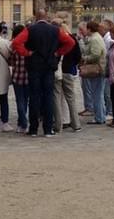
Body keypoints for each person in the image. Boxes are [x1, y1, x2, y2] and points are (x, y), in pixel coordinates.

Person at [12, 9, 75, 137]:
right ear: (47, 17)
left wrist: (26, 53)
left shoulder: (30, 29)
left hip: (34, 66)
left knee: (34, 96)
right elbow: (71, 42)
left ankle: (34, 129)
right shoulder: (55, 30)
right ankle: (48, 129)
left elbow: (16, 42)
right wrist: (58, 53)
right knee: (48, 96)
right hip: (49, 66)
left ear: (36, 17)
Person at [53, 22, 82, 133]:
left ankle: (58, 125)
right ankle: (76, 124)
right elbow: (78, 56)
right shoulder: (73, 39)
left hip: (58, 71)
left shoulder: (57, 40)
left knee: (56, 98)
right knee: (71, 98)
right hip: (69, 71)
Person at [80, 21, 107, 126]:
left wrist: (84, 58)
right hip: (99, 68)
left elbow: (95, 55)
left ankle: (99, 117)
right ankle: (101, 115)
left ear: (90, 29)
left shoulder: (95, 39)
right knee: (98, 93)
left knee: (96, 94)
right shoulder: (96, 37)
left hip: (96, 69)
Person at [10, 24, 29, 133]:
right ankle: (22, 122)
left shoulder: (14, 45)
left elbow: (11, 62)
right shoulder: (29, 44)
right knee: (25, 101)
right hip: (28, 76)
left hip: (17, 76)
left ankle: (22, 123)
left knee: (20, 101)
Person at [76, 22, 93, 117]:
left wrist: (80, 40)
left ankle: (90, 108)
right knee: (85, 87)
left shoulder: (87, 39)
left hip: (88, 66)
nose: (80, 32)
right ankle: (88, 107)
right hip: (83, 66)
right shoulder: (85, 38)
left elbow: (84, 51)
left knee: (88, 88)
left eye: (81, 30)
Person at [100, 19, 114, 120]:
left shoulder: (109, 39)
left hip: (109, 67)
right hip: (106, 66)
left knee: (107, 91)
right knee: (105, 91)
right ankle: (107, 110)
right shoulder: (104, 37)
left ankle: (110, 111)